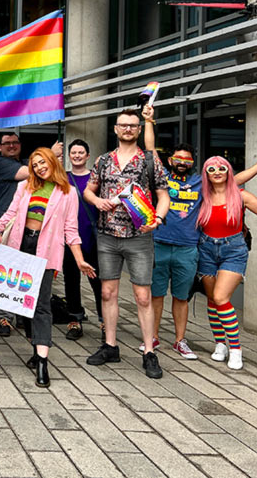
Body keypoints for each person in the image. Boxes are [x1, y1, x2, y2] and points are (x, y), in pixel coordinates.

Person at [141, 105, 257, 359]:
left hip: (190, 248)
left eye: (187, 160)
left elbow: (235, 180)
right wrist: (149, 121)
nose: (181, 163)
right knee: (156, 294)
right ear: (170, 161)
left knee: (182, 297)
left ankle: (180, 341)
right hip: (159, 243)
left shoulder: (201, 184)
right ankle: (154, 337)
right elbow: (149, 149)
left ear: (192, 163)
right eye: (177, 159)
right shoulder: (161, 179)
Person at [0, 148, 96, 387]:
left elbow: (71, 230)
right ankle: (34, 344)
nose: (39, 167)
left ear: (52, 162)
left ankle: (42, 361)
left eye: (43, 162)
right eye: (35, 164)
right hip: (21, 245)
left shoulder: (68, 192)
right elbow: (9, 214)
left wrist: (79, 259)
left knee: (40, 305)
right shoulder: (25, 186)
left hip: (47, 250)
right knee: (23, 302)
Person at [83, 109, 170, 379]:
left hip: (140, 236)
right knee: (107, 293)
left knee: (143, 297)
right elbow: (88, 189)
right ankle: (110, 345)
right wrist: (97, 202)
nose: (128, 129)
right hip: (108, 235)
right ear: (116, 129)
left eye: (133, 125)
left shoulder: (150, 160)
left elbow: (163, 195)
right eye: (123, 125)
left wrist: (158, 219)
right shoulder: (104, 160)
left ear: (139, 129)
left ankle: (149, 351)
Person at [198, 155, 257, 370]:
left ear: (229, 173)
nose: (217, 172)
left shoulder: (240, 195)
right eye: (212, 169)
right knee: (211, 300)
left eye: (223, 169)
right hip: (205, 249)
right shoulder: (201, 195)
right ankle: (220, 345)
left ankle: (235, 349)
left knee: (221, 297)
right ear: (206, 174)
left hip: (233, 250)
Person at [0, 133, 63, 338]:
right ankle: (5, 317)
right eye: (7, 143)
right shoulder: (2, 164)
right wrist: (51, 154)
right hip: (12, 232)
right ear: (0, 147)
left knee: (35, 288)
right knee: (9, 279)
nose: (12, 146)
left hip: (40, 239)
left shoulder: (61, 190)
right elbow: (28, 173)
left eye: (15, 142)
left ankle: (32, 327)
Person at [61, 139, 103, 341]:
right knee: (71, 281)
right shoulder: (62, 178)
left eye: (81, 152)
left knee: (99, 281)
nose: (77, 155)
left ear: (88, 156)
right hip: (69, 239)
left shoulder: (96, 180)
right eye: (73, 152)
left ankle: (105, 320)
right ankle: (75, 320)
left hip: (93, 238)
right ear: (69, 156)